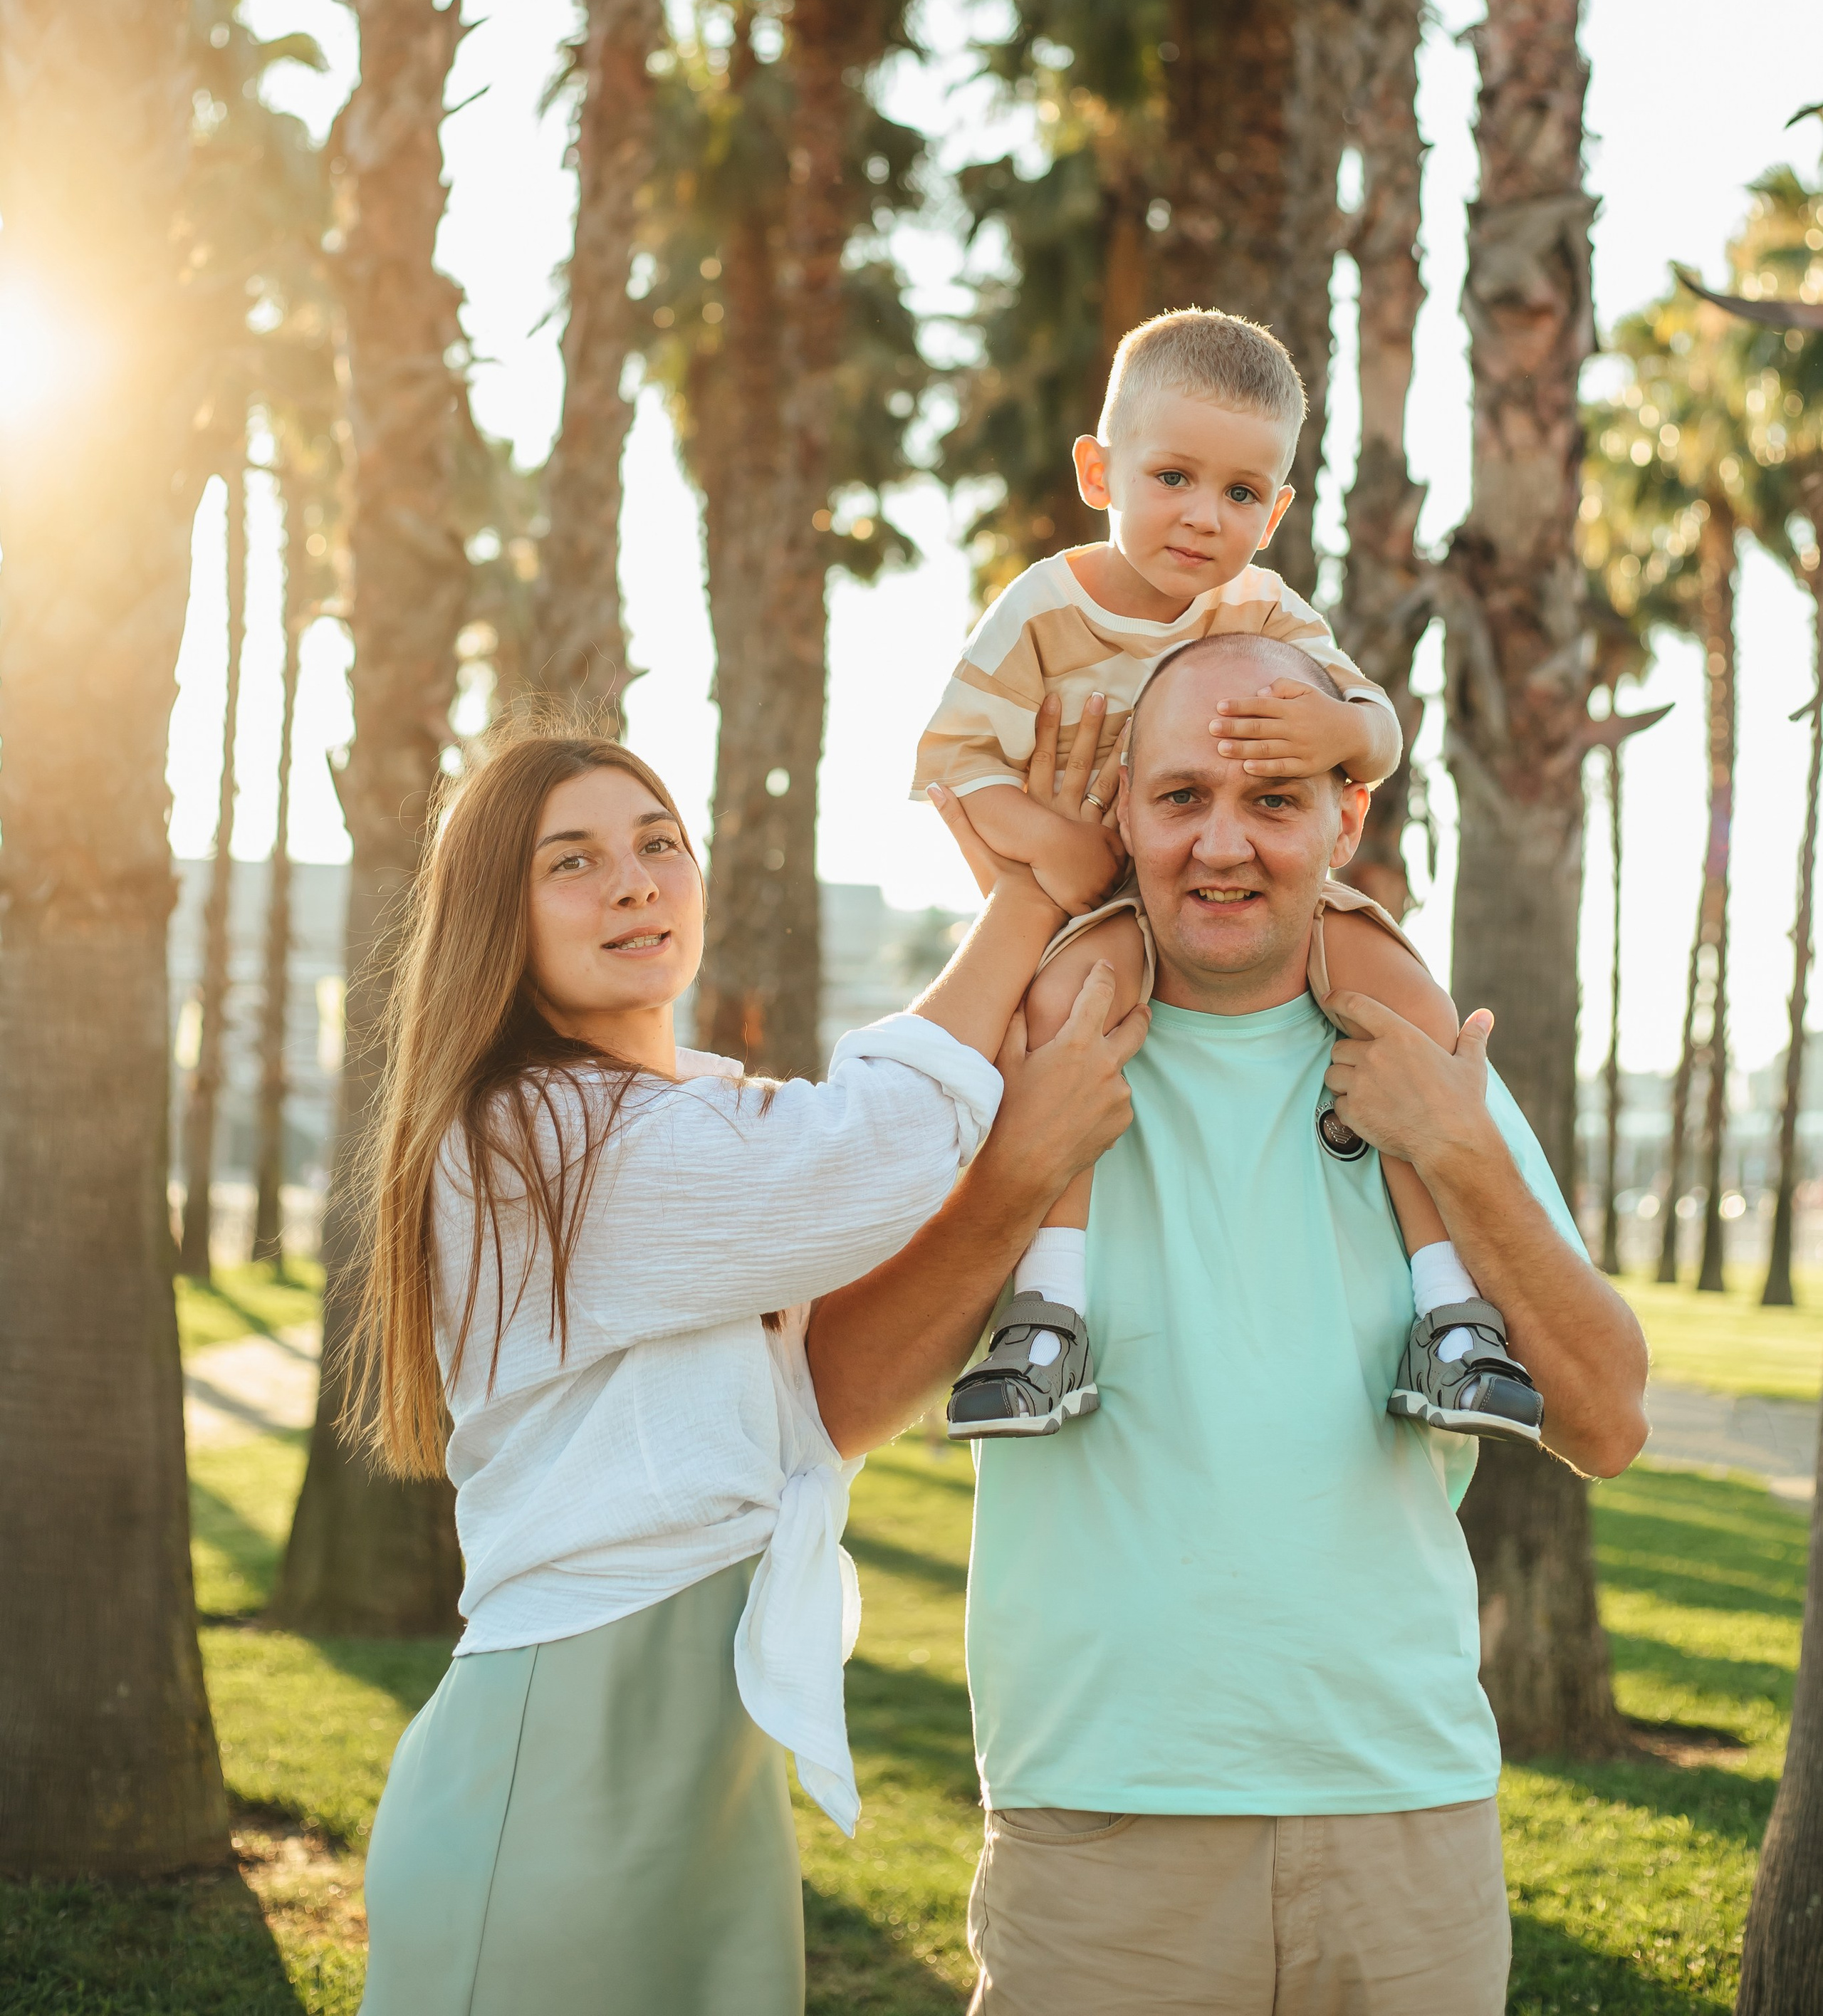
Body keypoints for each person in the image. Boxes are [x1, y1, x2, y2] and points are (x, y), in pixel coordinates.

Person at [812, 632, 1651, 2016]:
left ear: (1344, 816)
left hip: (1403, 1823)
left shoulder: (1421, 1067)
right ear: (1121, 815)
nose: (1222, 845)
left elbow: (1607, 1421)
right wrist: (1018, 1167)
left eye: (1269, 802)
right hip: (1095, 1833)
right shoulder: (1016, 1063)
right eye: (1181, 796)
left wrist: (1464, 1154)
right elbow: (834, 1396)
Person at [350, 722, 1139, 2016]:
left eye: (659, 843)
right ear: (498, 917)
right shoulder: (537, 1137)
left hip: (702, 1762)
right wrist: (1033, 889)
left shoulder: (688, 1110)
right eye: (573, 862)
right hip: (564, 1761)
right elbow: (878, 1145)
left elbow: (820, 1406)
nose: (635, 882)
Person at [917, 306, 1540, 1450]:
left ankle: (1453, 1314)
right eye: (1173, 477)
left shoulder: (1263, 612)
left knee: (1398, 997)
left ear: (1279, 508)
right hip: (1109, 903)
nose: (1207, 517)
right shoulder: (1043, 614)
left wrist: (1335, 729)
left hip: (1255, 897)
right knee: (1065, 1017)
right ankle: (1047, 1312)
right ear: (1100, 472)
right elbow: (950, 764)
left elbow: (1379, 728)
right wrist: (1054, 847)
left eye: (1244, 494)